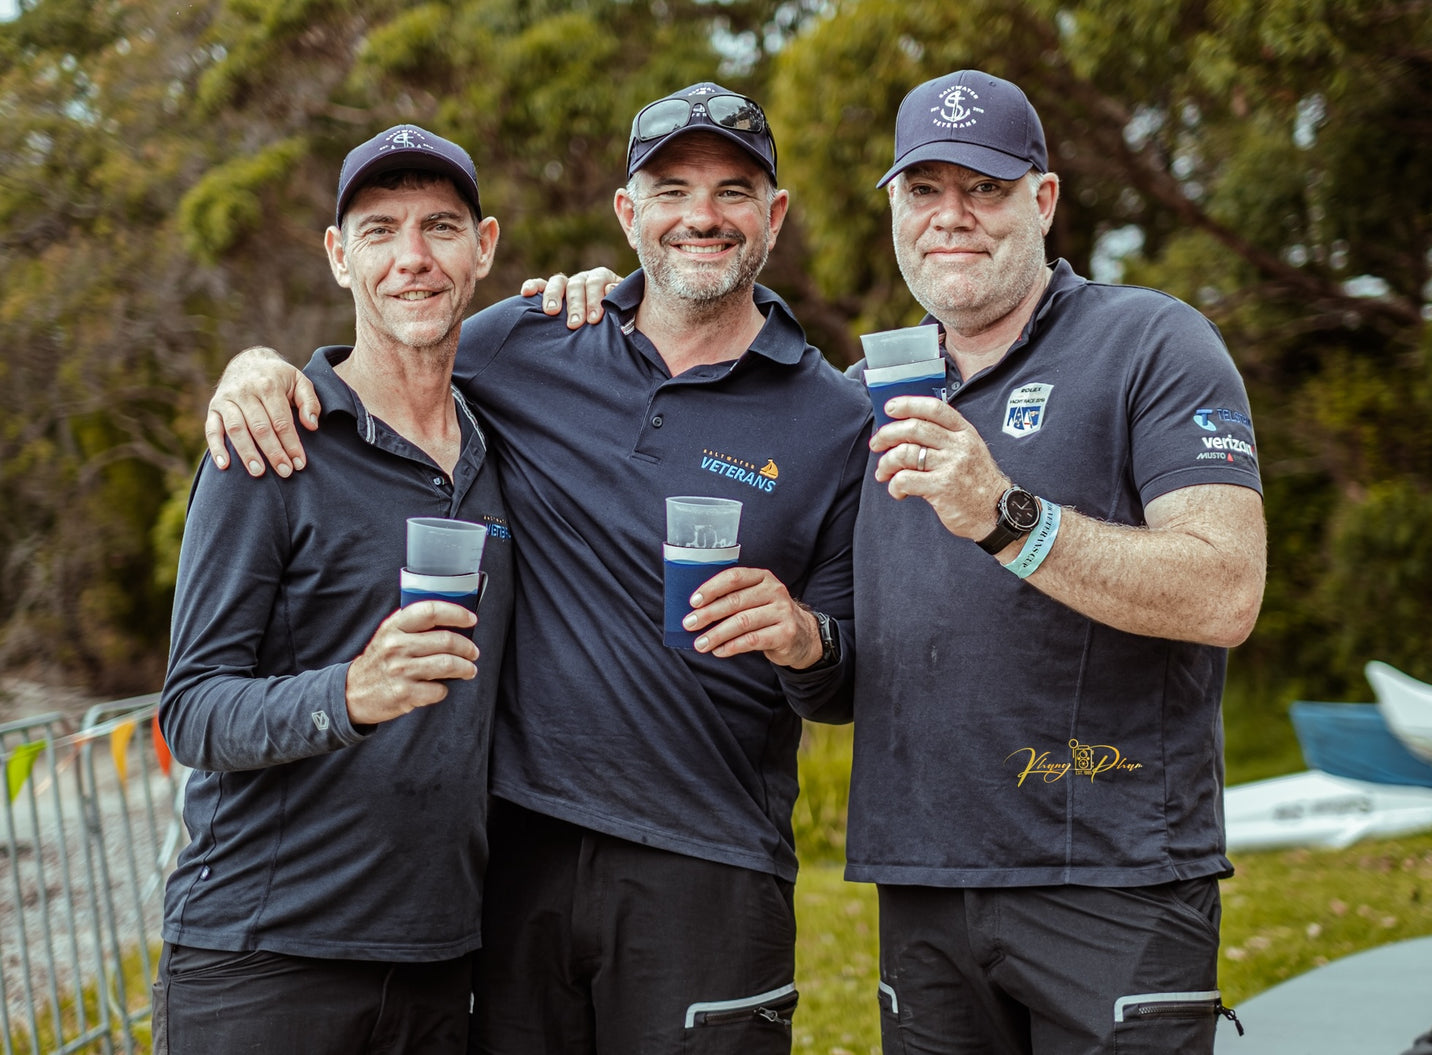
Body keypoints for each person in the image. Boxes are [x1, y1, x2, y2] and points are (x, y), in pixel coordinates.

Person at [534, 68, 1267, 1055]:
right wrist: (801, 640)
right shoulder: (858, 396)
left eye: (987, 188)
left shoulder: (1151, 343)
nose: (950, 217)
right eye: (925, 190)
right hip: (922, 887)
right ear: (894, 208)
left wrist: (1005, 516)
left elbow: (1225, 588)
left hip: (1113, 881)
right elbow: (844, 676)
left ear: (1043, 200)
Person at [201, 84, 870, 1054]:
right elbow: (394, 346)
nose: (701, 216)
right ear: (627, 213)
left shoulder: (834, 416)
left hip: (710, 869)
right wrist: (260, 368)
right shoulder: (522, 343)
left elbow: (841, 683)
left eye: (733, 190)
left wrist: (802, 635)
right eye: (671, 187)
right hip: (514, 857)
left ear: (771, 216)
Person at [153, 124, 513, 1055]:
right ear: (338, 257)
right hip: (264, 958)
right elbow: (191, 712)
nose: (413, 259)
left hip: (439, 956)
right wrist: (351, 692)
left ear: (485, 249)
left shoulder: (503, 448)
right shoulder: (269, 446)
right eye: (380, 230)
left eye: (440, 227)